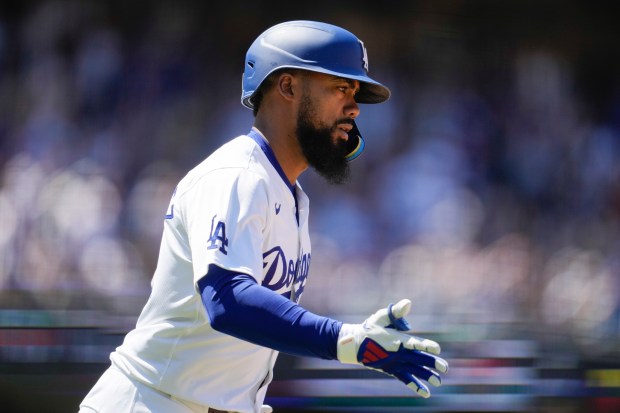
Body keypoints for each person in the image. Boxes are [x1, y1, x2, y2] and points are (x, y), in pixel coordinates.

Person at [78, 20, 448, 413]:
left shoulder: (290, 196)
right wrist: (345, 340)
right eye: (340, 88)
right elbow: (227, 299)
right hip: (149, 402)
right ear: (287, 87)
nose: (354, 107)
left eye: (354, 92)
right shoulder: (237, 175)